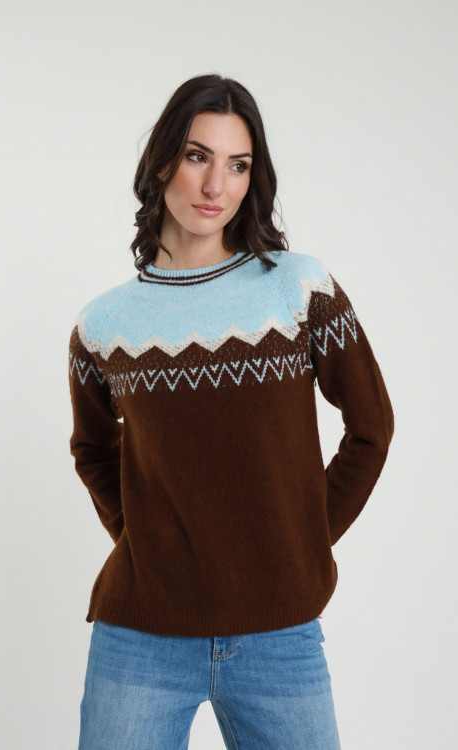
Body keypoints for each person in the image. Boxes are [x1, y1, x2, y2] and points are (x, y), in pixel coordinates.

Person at [68, 73, 394, 749]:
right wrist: (144, 538)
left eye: (238, 164)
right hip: (140, 638)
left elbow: (372, 427)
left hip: (279, 635)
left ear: (253, 177)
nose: (216, 184)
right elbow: (92, 449)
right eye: (198, 156)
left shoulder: (299, 288)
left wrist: (303, 539)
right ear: (162, 161)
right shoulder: (103, 326)